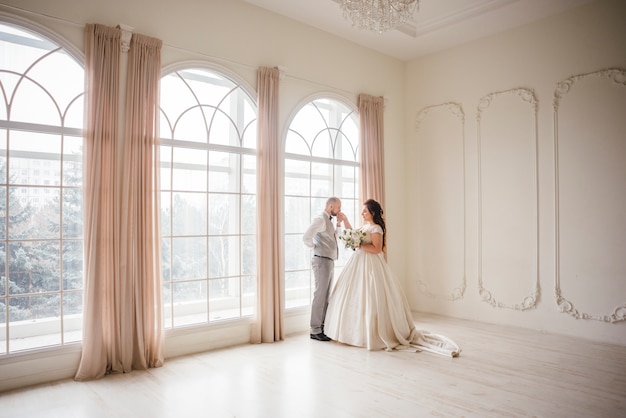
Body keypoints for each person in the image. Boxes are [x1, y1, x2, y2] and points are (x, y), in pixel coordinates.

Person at [325, 199, 450, 353]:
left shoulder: (376, 228)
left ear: (373, 213)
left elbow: (377, 249)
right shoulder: (365, 226)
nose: (362, 213)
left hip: (371, 264)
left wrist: (360, 245)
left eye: (365, 211)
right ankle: (352, 333)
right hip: (358, 261)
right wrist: (345, 220)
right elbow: (353, 234)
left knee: (372, 296)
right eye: (362, 211)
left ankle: (373, 334)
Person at [303, 197, 351, 342]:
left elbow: (334, 237)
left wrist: (338, 225)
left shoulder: (328, 221)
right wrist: (315, 249)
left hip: (328, 261)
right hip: (321, 260)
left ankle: (322, 327)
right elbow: (306, 237)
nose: (340, 210)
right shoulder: (320, 219)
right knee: (320, 295)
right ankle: (315, 329)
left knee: (325, 296)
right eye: (338, 207)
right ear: (331, 207)